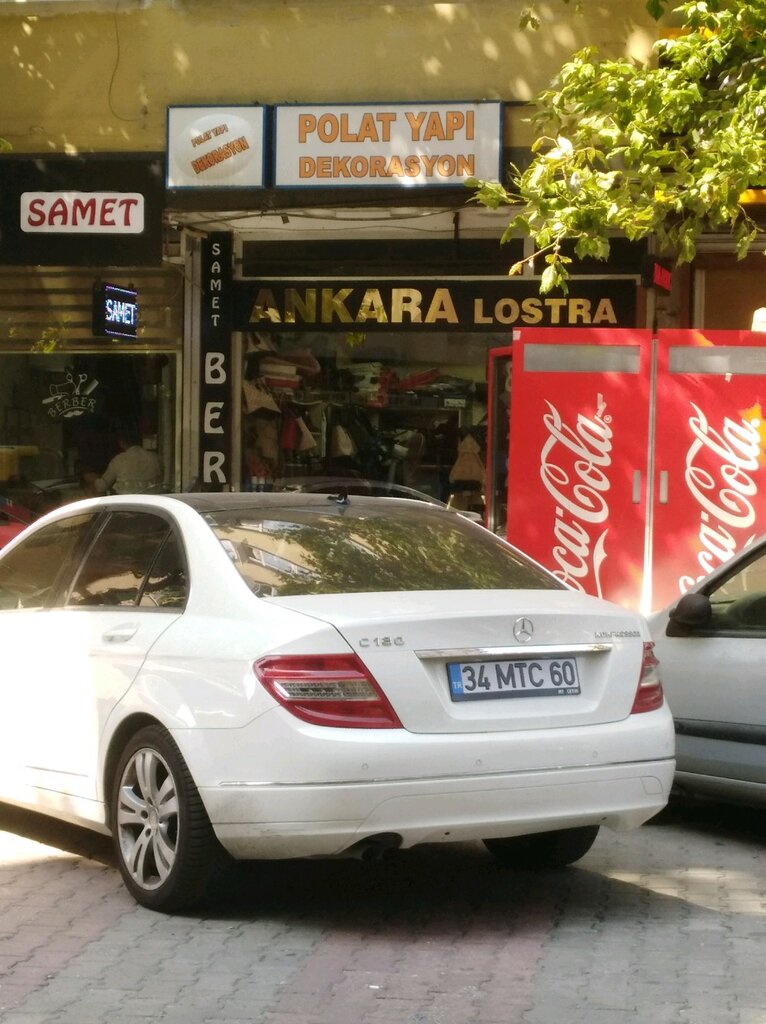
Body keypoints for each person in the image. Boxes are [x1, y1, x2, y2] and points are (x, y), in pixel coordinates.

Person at [86, 430, 163, 495]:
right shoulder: (155, 458)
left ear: (121, 442)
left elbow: (101, 487)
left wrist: (94, 479)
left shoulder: (119, 460)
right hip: (153, 506)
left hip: (127, 507)